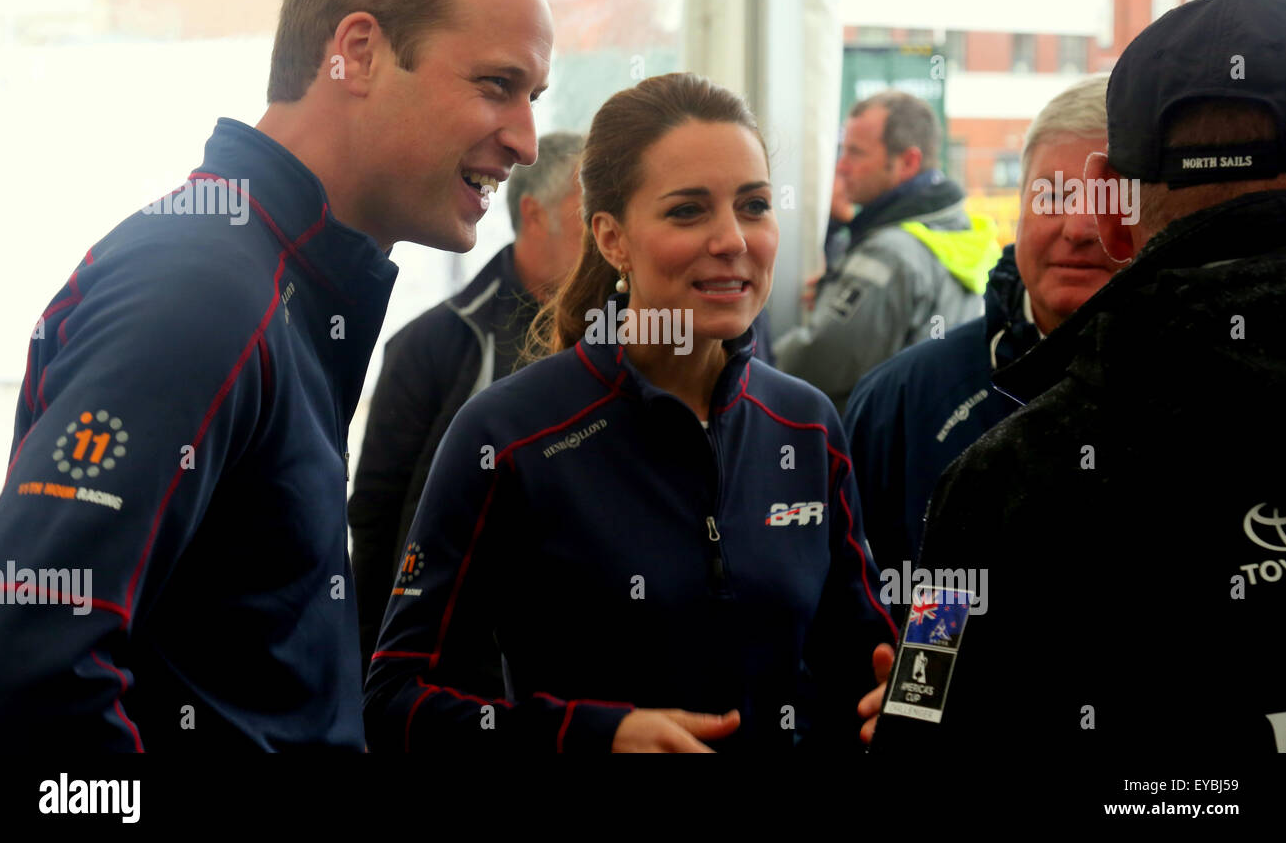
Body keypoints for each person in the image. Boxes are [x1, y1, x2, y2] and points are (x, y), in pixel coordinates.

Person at [0, 0, 552, 750]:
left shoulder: (281, 281)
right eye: (496, 85)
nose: (528, 141)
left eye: (532, 97)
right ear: (358, 52)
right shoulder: (202, 288)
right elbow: (27, 656)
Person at [363, 72, 897, 753]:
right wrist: (595, 737)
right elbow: (395, 701)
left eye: (754, 205)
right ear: (612, 239)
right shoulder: (509, 436)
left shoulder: (807, 426)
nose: (732, 239)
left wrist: (897, 700)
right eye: (688, 211)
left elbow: (864, 663)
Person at [868, 0, 1286, 752]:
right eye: (1044, 197)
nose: (1071, 230)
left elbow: (919, 722)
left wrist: (916, 697)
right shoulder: (917, 412)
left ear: (1110, 207)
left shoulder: (993, 482)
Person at [843, 75, 1117, 585]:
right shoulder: (899, 402)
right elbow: (849, 604)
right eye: (1054, 195)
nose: (1078, 227)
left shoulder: (1216, 393)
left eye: (1108, 200)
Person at [349, 131, 584, 682]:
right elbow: (376, 521)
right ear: (535, 215)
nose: (609, 233)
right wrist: (371, 683)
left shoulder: (634, 338)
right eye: (590, 213)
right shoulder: (434, 344)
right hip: (462, 677)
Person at [775, 91, 1000, 411]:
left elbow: (815, 363)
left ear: (908, 162)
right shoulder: (964, 234)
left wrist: (754, 360)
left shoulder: (889, 255)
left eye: (855, 153)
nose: (842, 166)